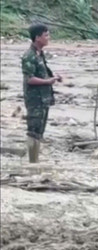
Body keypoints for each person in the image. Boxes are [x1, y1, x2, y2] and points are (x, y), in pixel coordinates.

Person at [21, 23, 61, 163]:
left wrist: (53, 77)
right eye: (46, 35)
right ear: (37, 38)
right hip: (34, 100)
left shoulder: (40, 54)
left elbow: (42, 73)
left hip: (43, 98)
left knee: (40, 131)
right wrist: (47, 81)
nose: (48, 38)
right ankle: (32, 163)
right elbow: (30, 79)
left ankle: (35, 161)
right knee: (33, 131)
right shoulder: (29, 56)